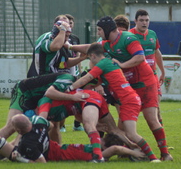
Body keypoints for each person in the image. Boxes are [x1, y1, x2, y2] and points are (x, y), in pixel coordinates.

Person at [70, 16, 173, 161]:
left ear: (107, 29)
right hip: (128, 87)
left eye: (99, 30)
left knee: (151, 119)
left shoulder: (128, 38)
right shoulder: (106, 43)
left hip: (145, 83)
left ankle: (164, 154)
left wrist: (121, 65)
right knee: (123, 124)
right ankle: (129, 152)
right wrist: (69, 46)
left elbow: (140, 58)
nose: (98, 33)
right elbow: (89, 48)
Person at [0, 114, 146, 162]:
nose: (98, 139)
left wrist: (135, 153)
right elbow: (50, 126)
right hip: (50, 147)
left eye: (102, 139)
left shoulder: (98, 154)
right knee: (8, 145)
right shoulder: (94, 151)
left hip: (45, 151)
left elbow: (115, 149)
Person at [129, 9, 165, 123]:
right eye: (141, 20)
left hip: (152, 76)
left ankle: (160, 132)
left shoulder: (152, 34)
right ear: (135, 21)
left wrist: (163, 72)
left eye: (147, 20)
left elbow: (157, 53)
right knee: (132, 108)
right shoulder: (129, 35)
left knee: (156, 106)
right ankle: (127, 133)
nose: (144, 23)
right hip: (136, 78)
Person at [59, 14, 84, 132]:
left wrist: (79, 68)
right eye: (67, 23)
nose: (69, 25)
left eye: (70, 23)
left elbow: (77, 55)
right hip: (61, 71)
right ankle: (60, 124)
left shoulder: (74, 39)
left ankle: (77, 124)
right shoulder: (57, 39)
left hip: (73, 70)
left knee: (77, 98)